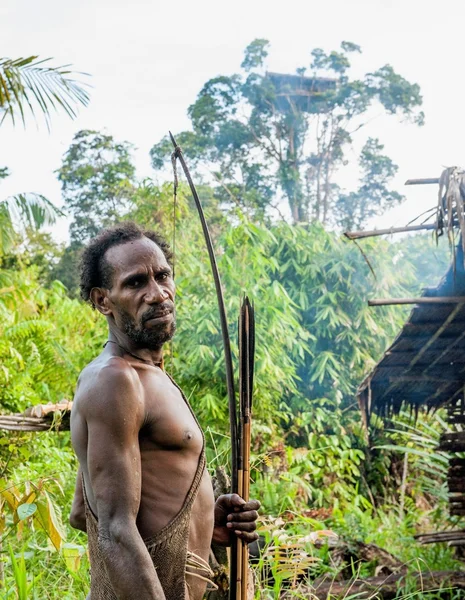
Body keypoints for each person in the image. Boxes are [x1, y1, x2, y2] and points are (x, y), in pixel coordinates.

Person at [69, 222, 260, 600]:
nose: (157, 294)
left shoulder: (151, 375)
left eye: (163, 276)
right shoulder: (116, 380)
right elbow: (114, 529)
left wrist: (207, 520)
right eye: (136, 283)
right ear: (102, 300)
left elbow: (81, 511)